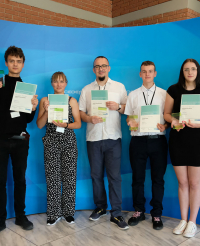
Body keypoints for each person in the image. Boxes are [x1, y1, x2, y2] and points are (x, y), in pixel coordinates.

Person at [0, 46, 39, 238]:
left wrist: (33, 108)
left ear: (23, 64)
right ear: (6, 63)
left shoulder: (27, 88)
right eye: (12, 61)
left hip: (20, 140)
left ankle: (20, 216)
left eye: (19, 61)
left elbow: (28, 120)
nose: (15, 64)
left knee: (20, 180)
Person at [163, 59, 200, 238]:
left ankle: (192, 222)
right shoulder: (173, 90)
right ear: (183, 72)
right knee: (182, 183)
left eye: (193, 69)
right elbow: (166, 114)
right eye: (186, 69)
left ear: (197, 71)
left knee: (195, 183)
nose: (190, 72)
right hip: (177, 141)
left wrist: (199, 124)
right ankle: (183, 220)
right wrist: (174, 120)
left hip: (197, 141)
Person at [79, 56, 129, 230]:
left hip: (113, 138)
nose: (101, 69)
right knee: (96, 176)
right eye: (97, 66)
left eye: (104, 66)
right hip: (93, 138)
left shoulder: (119, 87)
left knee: (115, 177)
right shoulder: (86, 90)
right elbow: (81, 114)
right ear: (94, 69)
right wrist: (89, 118)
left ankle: (116, 213)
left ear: (109, 68)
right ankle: (100, 207)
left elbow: (127, 109)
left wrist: (118, 107)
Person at [125, 61, 169, 230]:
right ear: (140, 74)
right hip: (138, 141)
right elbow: (128, 117)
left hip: (158, 141)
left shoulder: (164, 94)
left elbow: (171, 117)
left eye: (150, 71)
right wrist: (131, 121)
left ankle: (156, 214)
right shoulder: (133, 95)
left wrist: (165, 125)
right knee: (138, 178)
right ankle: (139, 211)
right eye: (144, 71)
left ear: (155, 73)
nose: (147, 74)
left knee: (158, 179)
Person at [36, 72, 81, 226]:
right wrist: (47, 110)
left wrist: (66, 125)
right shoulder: (45, 100)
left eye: (61, 81)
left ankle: (68, 213)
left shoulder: (72, 101)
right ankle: (53, 214)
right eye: (55, 81)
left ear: (66, 83)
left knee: (69, 178)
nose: (59, 84)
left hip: (68, 141)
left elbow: (78, 124)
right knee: (52, 178)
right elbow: (39, 125)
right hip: (51, 142)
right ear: (52, 84)